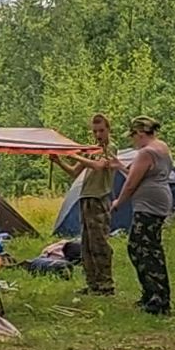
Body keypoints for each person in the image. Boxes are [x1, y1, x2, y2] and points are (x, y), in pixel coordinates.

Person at [50, 114, 119, 296]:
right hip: (86, 198)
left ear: (108, 130)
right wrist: (60, 161)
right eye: (95, 131)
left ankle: (106, 284)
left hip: (99, 198)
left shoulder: (110, 148)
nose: (98, 134)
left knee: (100, 242)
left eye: (101, 130)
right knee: (87, 243)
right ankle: (92, 283)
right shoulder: (92, 150)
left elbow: (98, 166)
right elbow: (74, 172)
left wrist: (74, 154)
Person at [111, 116, 173, 315]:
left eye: (133, 137)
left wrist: (118, 203)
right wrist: (120, 166)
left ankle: (156, 298)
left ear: (139, 133)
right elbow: (139, 173)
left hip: (149, 206)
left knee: (141, 249)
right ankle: (154, 294)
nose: (132, 142)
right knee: (148, 247)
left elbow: (131, 183)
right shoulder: (161, 147)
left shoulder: (146, 152)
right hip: (159, 201)